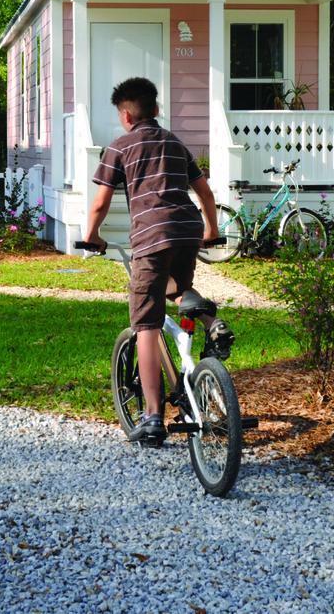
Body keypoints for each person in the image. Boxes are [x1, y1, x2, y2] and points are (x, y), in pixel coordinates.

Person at [83, 76, 234, 446]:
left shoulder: (119, 147)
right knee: (176, 289)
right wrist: (211, 230)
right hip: (187, 229)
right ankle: (213, 320)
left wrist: (91, 236)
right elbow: (204, 192)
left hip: (151, 236)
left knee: (146, 323)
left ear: (126, 116)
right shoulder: (176, 143)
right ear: (156, 110)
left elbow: (101, 201)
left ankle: (152, 416)